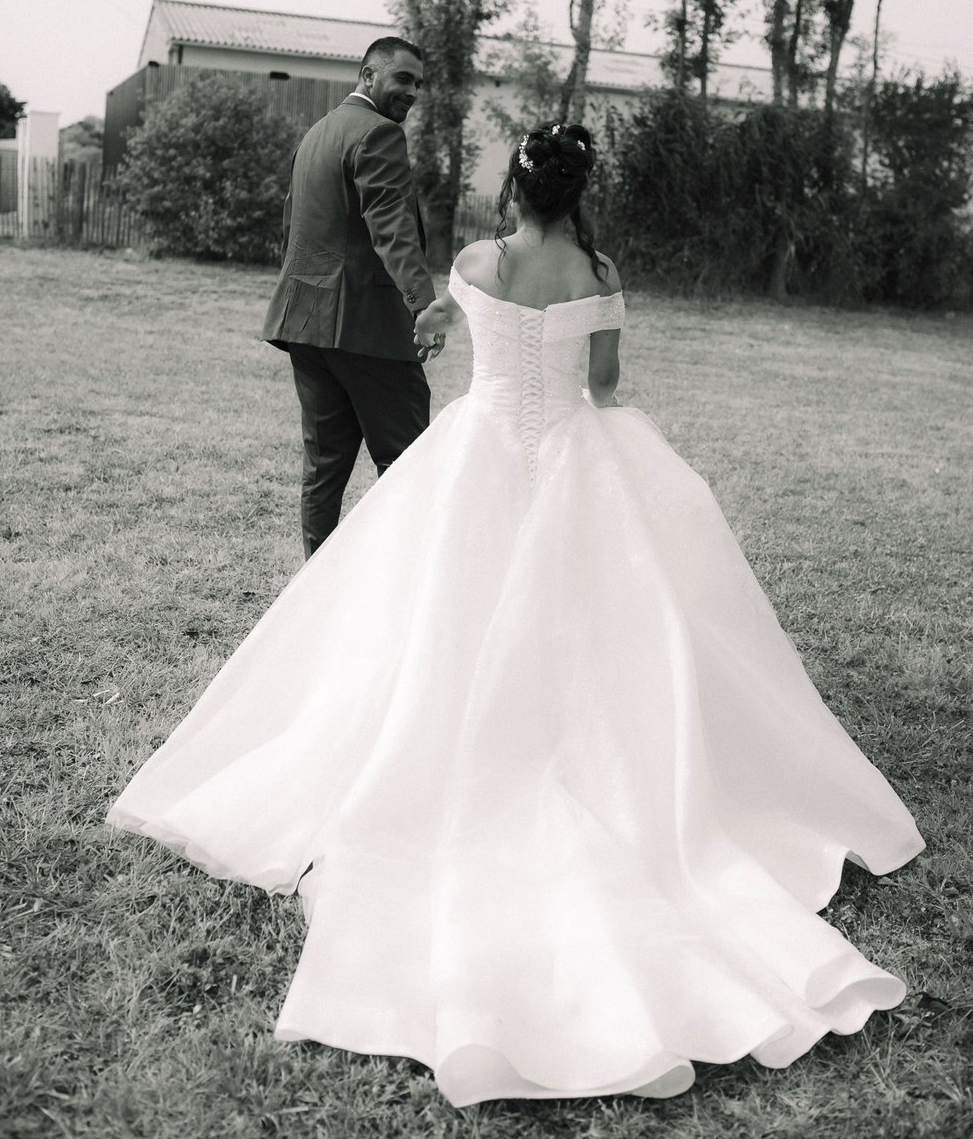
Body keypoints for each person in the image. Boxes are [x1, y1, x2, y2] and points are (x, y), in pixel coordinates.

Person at [108, 122, 924, 1107]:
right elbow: (607, 386)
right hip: (576, 458)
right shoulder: (600, 268)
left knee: (423, 622)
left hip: (480, 451)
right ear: (580, 189)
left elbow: (470, 342)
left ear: (515, 185)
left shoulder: (474, 262)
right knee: (618, 623)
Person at [260, 36, 442, 558]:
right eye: (402, 79)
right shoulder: (378, 134)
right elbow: (392, 228)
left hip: (305, 324)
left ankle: (317, 588)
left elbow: (293, 228)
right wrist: (423, 305)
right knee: (407, 460)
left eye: (418, 84)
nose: (412, 92)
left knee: (324, 466)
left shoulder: (317, 133)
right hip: (365, 326)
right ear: (368, 75)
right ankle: (396, 580)